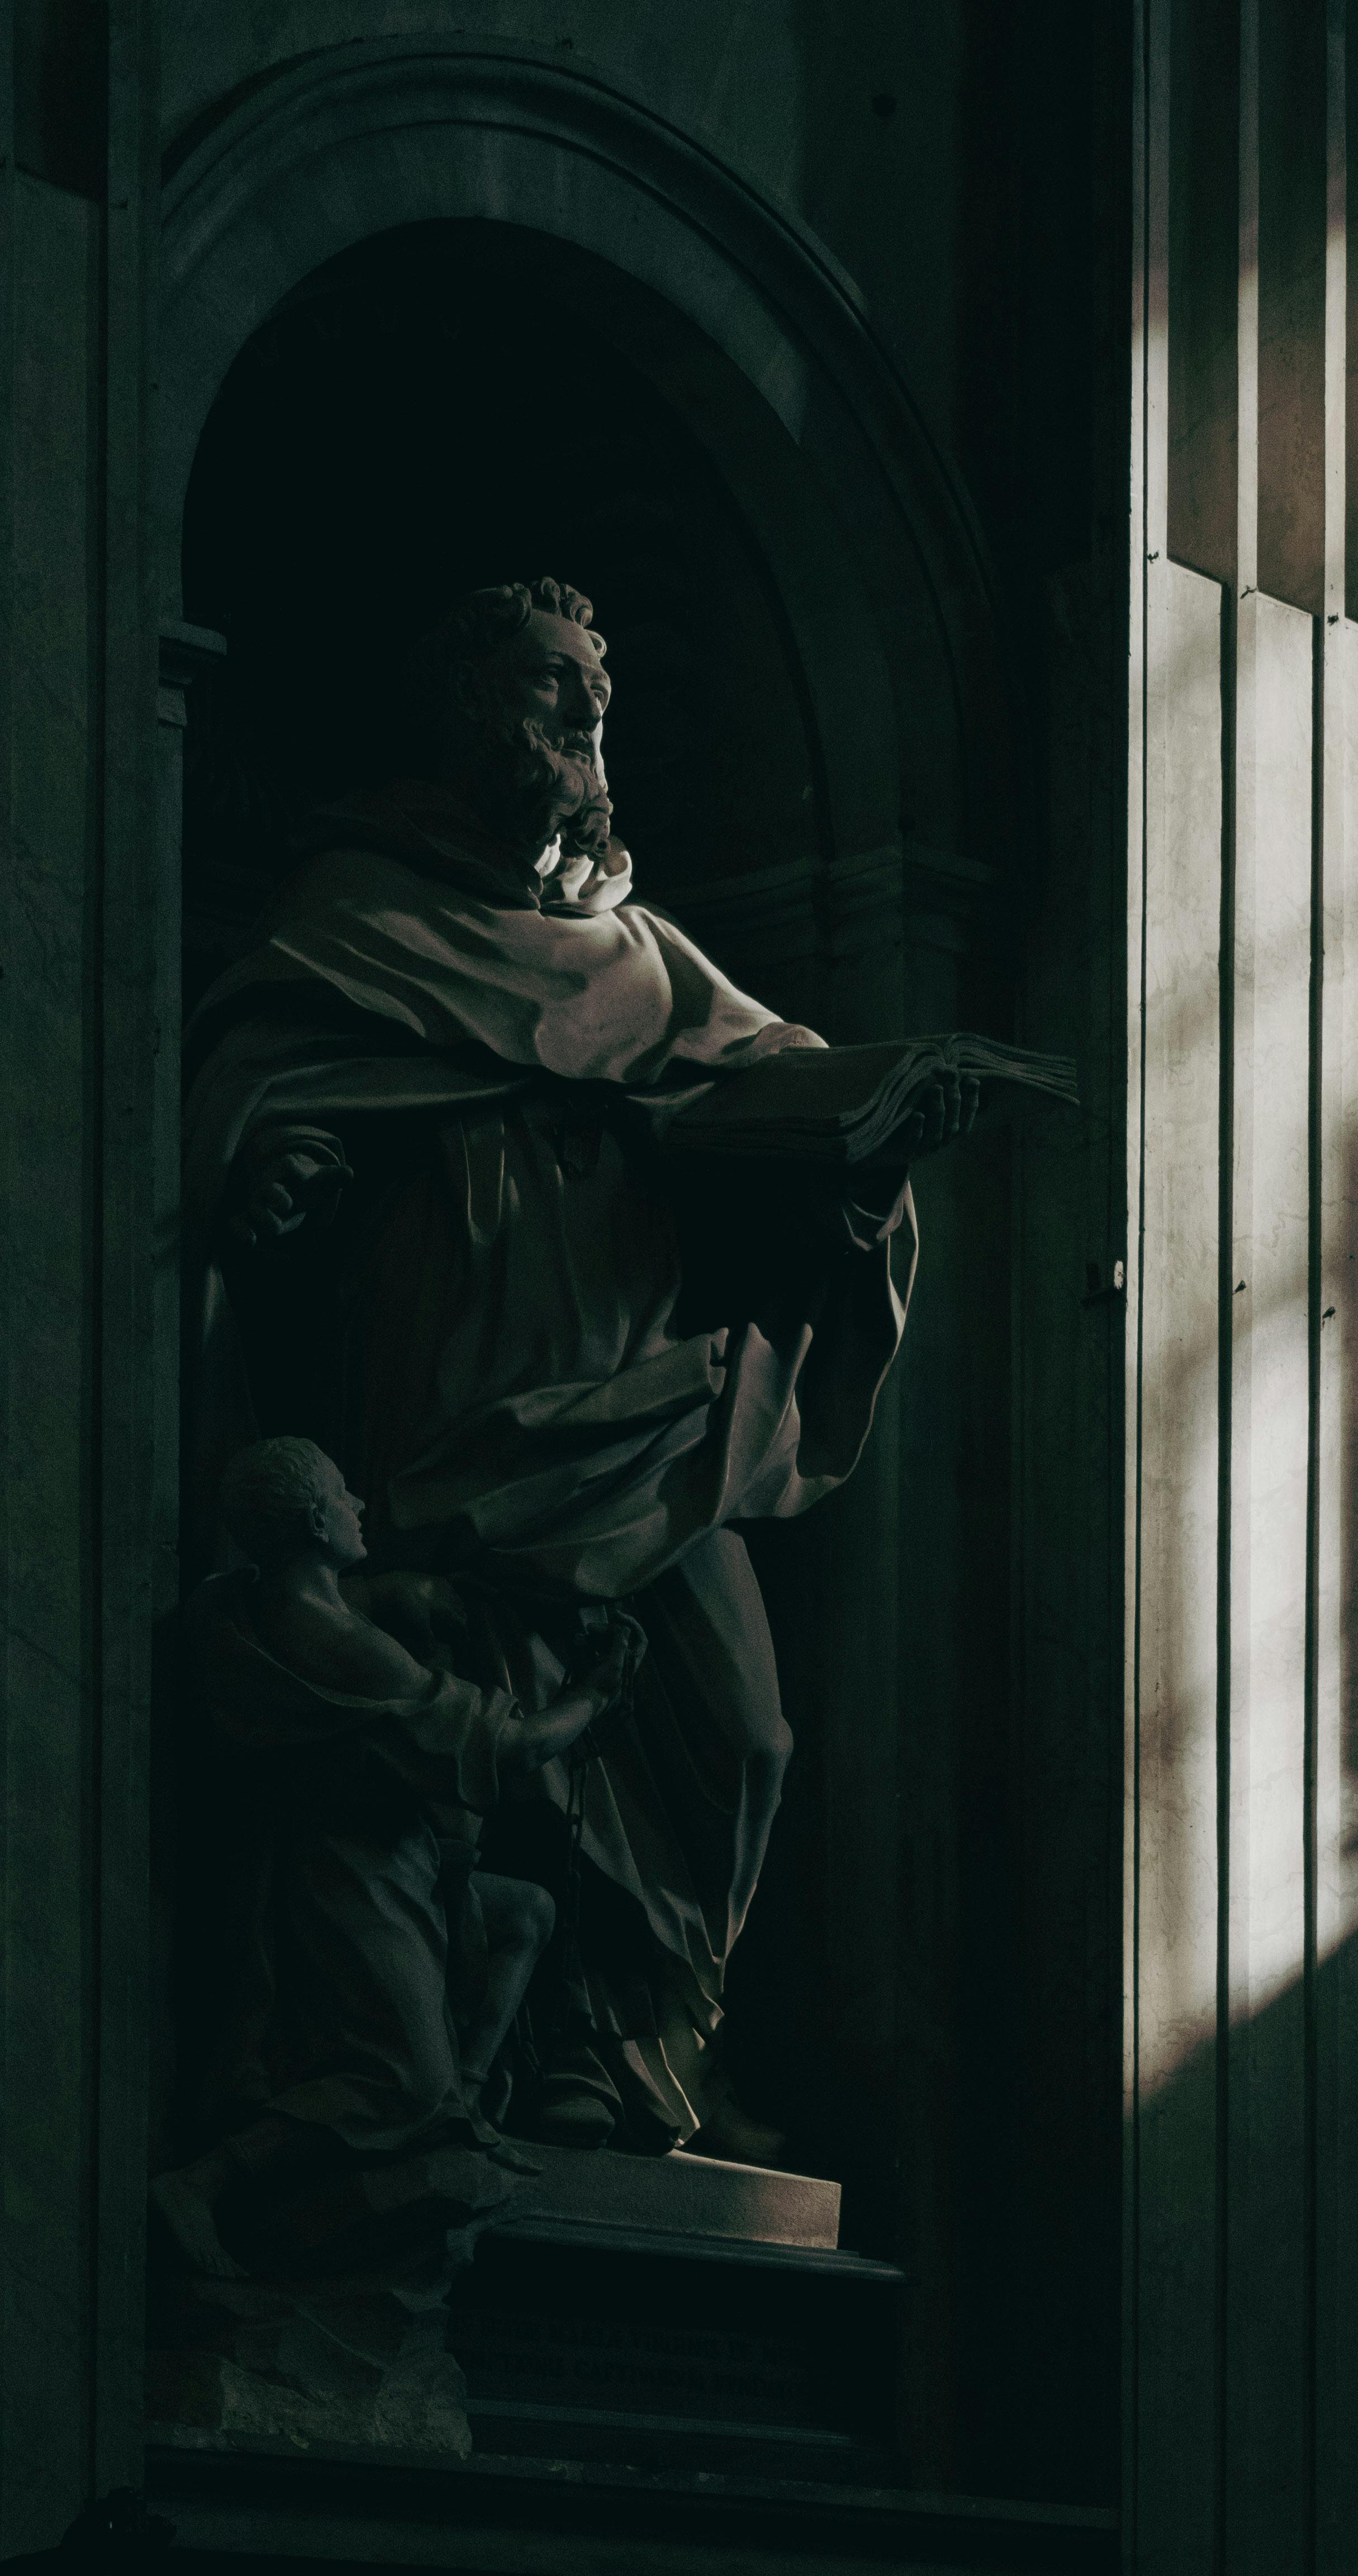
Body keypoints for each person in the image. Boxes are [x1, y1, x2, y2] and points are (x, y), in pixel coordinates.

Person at [183, 578, 974, 2150]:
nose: (584, 719)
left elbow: (793, 1111)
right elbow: (247, 1099)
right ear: (467, 705)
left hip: (644, 1417)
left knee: (736, 1731)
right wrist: (268, 1169)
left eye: (594, 697)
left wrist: (872, 1150)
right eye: (552, 686)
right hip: (446, 1387)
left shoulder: (650, 956)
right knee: (454, 1734)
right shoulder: (358, 913)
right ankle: (449, 2066)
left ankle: (632, 2053)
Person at [156, 1433, 640, 2280]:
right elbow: (514, 1748)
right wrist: (592, 1695)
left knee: (527, 1912)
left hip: (391, 1859)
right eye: (345, 1498)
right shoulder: (344, 1646)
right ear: (315, 1521)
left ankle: (470, 2103)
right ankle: (201, 2184)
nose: (361, 1509)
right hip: (353, 1878)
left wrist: (406, 1592)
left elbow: (355, 1612)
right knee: (397, 2081)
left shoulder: (251, 1602)